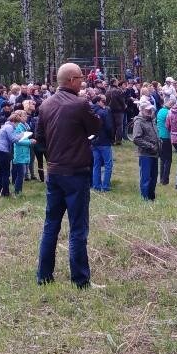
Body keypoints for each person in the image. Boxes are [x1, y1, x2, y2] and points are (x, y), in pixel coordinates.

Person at [36, 63, 102, 288]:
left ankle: (44, 276)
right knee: (78, 228)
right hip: (75, 172)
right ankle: (80, 280)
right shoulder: (80, 104)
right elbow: (96, 127)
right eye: (81, 78)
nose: (83, 82)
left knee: (51, 225)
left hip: (54, 171)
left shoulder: (45, 105)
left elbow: (40, 138)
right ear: (72, 80)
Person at [131, 98, 159, 201]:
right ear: (142, 110)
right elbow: (136, 139)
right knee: (146, 177)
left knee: (154, 177)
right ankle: (145, 199)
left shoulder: (151, 120)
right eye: (147, 110)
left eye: (150, 109)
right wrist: (150, 146)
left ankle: (151, 198)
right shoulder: (139, 121)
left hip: (155, 153)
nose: (150, 111)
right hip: (145, 154)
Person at [91, 92, 115, 192]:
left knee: (96, 164)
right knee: (108, 165)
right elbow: (109, 127)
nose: (104, 103)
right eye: (103, 101)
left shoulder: (90, 112)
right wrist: (111, 138)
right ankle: (105, 186)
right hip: (104, 141)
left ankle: (96, 185)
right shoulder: (104, 113)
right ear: (98, 102)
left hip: (94, 141)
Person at [9, 111, 34, 195]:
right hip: (20, 152)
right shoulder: (18, 127)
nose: (25, 117)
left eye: (26, 115)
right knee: (21, 174)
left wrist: (29, 139)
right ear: (19, 117)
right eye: (23, 116)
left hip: (24, 152)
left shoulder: (26, 126)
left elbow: (24, 137)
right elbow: (18, 141)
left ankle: (18, 191)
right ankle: (17, 192)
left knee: (22, 173)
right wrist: (29, 142)